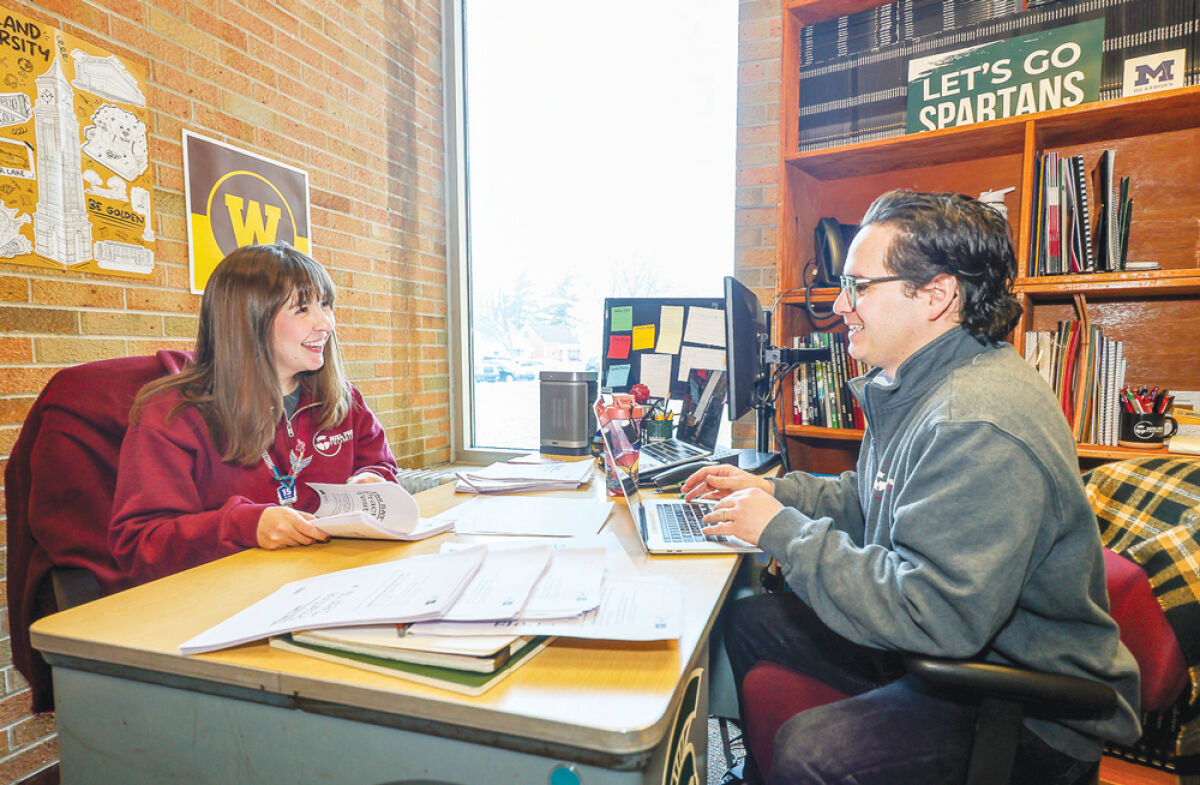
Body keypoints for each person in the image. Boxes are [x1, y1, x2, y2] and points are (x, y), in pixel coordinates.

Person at [684, 191, 1140, 785]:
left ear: (936, 295)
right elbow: (869, 499)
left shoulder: (974, 421)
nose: (840, 307)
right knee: (751, 622)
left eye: (859, 287)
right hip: (946, 655)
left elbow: (935, 616)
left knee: (811, 751)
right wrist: (774, 495)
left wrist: (780, 533)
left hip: (1022, 709)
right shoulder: (921, 383)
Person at [110, 243, 399, 586]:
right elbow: (140, 543)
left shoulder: (342, 399)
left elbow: (380, 465)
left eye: (325, 305)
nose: (326, 323)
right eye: (302, 309)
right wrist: (244, 525)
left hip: (330, 580)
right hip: (223, 597)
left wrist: (372, 481)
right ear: (249, 322)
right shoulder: (173, 414)